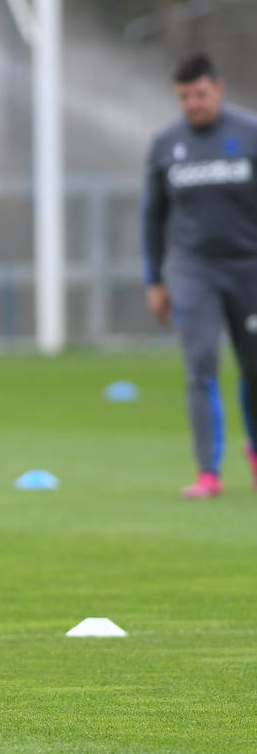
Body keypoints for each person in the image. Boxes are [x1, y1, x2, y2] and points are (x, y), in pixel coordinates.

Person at [142, 53, 257, 498]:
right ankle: (208, 472)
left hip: (250, 268)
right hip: (194, 270)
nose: (193, 103)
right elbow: (152, 217)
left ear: (219, 88)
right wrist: (155, 279)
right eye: (184, 97)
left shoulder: (249, 135)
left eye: (200, 94)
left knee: (254, 368)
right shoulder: (166, 144)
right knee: (200, 366)